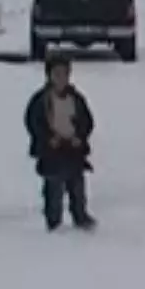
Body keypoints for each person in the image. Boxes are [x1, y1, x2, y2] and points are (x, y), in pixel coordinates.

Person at [24, 51, 97, 231]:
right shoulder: (41, 100)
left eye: (64, 74)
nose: (61, 78)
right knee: (53, 188)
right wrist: (47, 138)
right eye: (56, 74)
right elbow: (33, 122)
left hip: (73, 149)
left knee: (77, 186)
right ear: (49, 76)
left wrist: (79, 137)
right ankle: (53, 220)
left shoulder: (76, 99)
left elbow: (87, 120)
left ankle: (80, 215)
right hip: (52, 150)